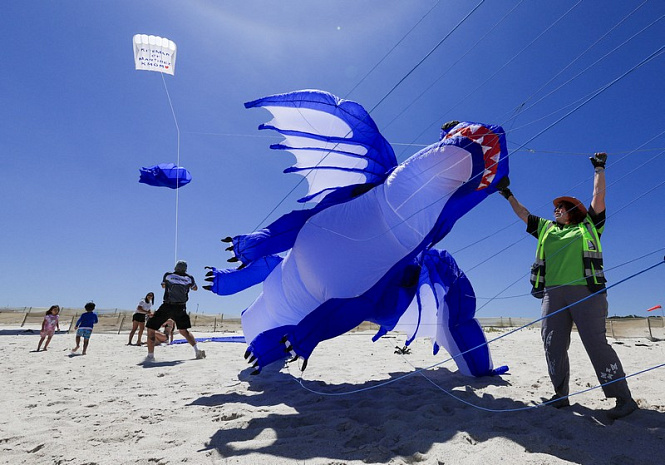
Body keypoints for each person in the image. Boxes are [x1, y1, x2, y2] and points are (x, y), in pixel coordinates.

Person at [496, 152, 638, 420]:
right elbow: (524, 214)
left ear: (573, 211)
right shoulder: (547, 229)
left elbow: (598, 197)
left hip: (586, 291)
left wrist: (599, 168)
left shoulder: (589, 225)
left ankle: (623, 398)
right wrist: (507, 193)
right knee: (552, 343)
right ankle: (560, 395)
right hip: (552, 293)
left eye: (561, 206)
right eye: (555, 207)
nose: (556, 209)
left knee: (595, 343)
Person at [144, 261, 205, 362]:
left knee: (151, 328)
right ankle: (197, 351)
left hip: (167, 306)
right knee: (183, 331)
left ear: (175, 267)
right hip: (181, 307)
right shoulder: (189, 278)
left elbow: (163, 286)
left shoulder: (168, 275)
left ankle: (150, 356)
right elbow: (195, 288)